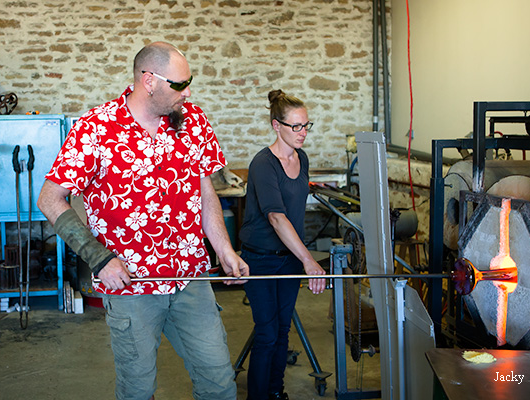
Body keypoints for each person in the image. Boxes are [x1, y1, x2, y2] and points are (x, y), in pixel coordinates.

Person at [37, 41, 249, 400]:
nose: (188, 91)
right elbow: (50, 199)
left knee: (219, 383)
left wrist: (224, 248)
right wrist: (98, 258)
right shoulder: (97, 128)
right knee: (138, 390)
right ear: (149, 80)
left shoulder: (192, 121)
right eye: (180, 84)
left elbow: (203, 190)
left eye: (189, 82)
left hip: (189, 279)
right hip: (131, 288)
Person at [239, 89, 326, 400]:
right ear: (276, 126)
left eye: (306, 126)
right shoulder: (263, 164)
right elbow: (276, 217)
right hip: (260, 260)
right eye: (296, 127)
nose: (302, 133)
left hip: (288, 259)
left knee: (282, 332)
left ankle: (276, 392)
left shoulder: (301, 158)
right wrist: (309, 260)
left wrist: (299, 258)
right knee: (266, 334)